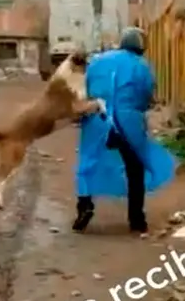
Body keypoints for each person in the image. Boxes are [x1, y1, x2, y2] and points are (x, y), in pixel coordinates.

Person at [72, 27, 177, 236]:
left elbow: (87, 87)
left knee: (87, 163)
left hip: (97, 116)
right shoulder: (142, 65)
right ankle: (136, 219)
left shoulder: (98, 61)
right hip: (128, 121)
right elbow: (146, 94)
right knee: (135, 168)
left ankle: (84, 207)